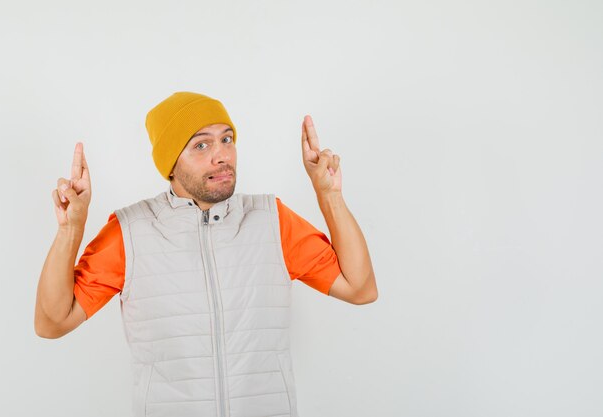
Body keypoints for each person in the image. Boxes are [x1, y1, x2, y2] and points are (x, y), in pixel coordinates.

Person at [34, 92, 377, 417]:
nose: (223, 155)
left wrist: (328, 194)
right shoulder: (130, 232)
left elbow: (359, 289)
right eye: (202, 144)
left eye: (227, 139)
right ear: (171, 163)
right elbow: (52, 323)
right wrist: (71, 230)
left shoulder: (271, 220)